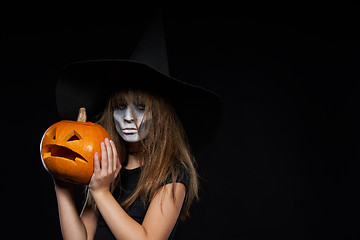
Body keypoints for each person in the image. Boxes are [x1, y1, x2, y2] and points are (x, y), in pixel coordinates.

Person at [50, 15, 222, 239]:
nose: (128, 118)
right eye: (120, 107)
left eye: (141, 107)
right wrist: (61, 185)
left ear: (162, 117)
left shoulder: (172, 173)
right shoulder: (108, 166)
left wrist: (101, 191)